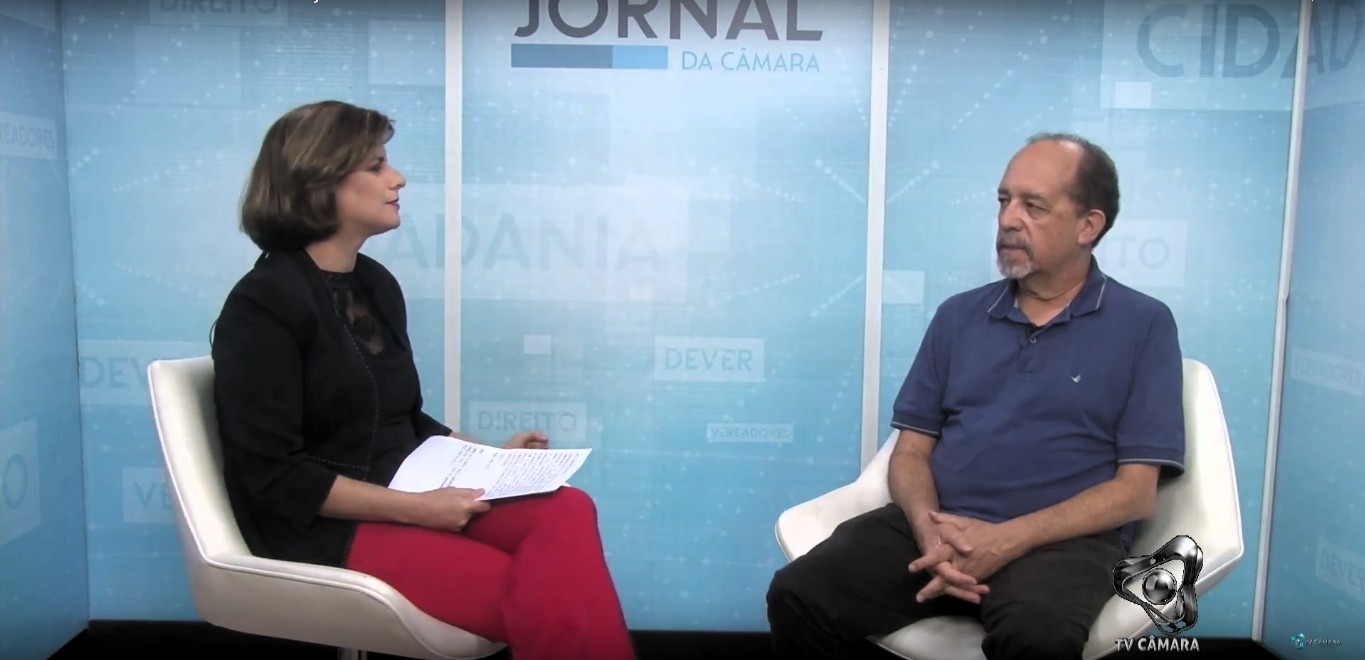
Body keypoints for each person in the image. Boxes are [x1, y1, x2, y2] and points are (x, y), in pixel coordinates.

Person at [211, 100, 636, 660]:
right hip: (316, 525)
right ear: (320, 181)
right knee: (537, 592)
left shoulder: (374, 284)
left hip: (405, 489)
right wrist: (419, 509)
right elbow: (274, 477)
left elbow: (403, 420)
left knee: (567, 508)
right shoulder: (262, 305)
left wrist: (494, 461)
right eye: (376, 166)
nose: (398, 178)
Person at [767, 134, 1186, 660]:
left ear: (1089, 225)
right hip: (939, 527)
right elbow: (911, 452)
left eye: (1033, 206)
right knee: (799, 595)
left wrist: (1008, 538)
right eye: (1004, 201)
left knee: (1039, 638)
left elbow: (1135, 493)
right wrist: (929, 531)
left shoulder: (1144, 325)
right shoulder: (958, 316)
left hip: (1059, 544)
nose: (1009, 219)